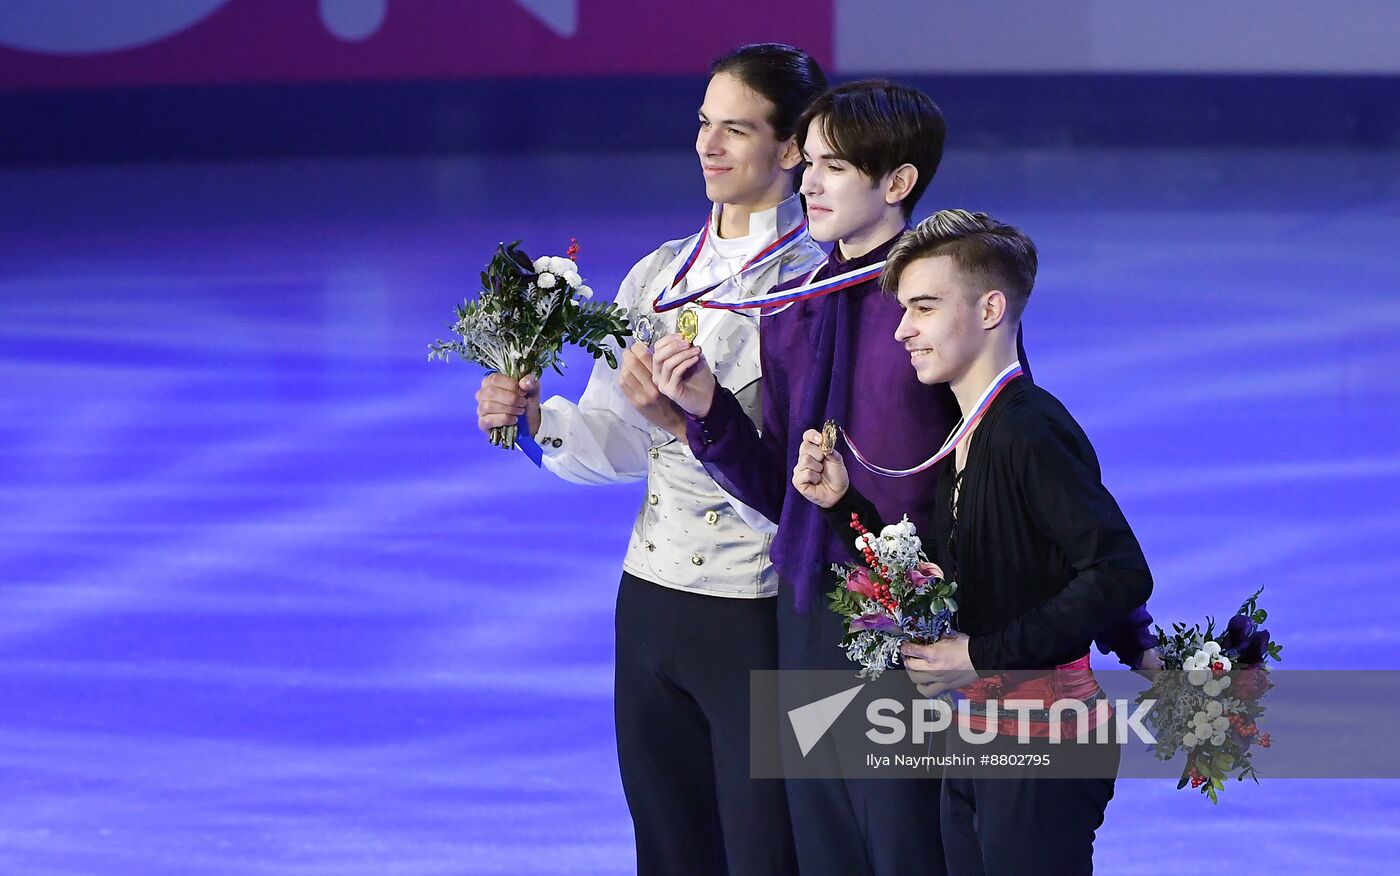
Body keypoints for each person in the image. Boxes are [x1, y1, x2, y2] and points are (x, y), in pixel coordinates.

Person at [652, 83, 1152, 876]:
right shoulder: (787, 305)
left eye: (834, 167)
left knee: (906, 852)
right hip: (809, 612)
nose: (807, 183)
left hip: (914, 628)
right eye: (806, 163)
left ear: (897, 183)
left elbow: (1016, 477)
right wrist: (708, 413)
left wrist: (1134, 634)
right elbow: (783, 490)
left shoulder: (937, 308)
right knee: (827, 853)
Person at [473, 43, 827, 876]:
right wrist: (532, 424)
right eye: (705, 123)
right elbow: (621, 441)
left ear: (790, 150)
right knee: (668, 851)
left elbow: (808, 492)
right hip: (652, 603)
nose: (709, 145)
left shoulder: (818, 290)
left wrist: (701, 419)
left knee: (765, 854)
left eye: (736, 130)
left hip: (759, 610)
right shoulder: (660, 277)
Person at [792, 209, 1154, 875]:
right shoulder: (969, 434)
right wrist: (846, 503)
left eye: (924, 307)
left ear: (991, 309)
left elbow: (1119, 573)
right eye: (904, 310)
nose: (903, 329)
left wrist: (980, 653)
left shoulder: (1029, 431)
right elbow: (940, 581)